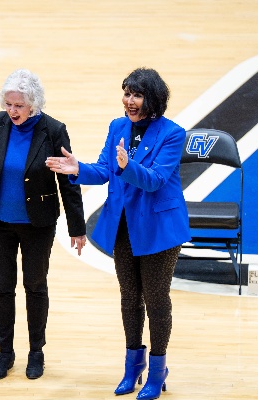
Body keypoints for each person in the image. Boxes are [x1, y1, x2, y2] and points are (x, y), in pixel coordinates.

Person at [46, 67, 190, 399]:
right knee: (129, 299)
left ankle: (157, 370)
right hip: (123, 225)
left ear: (152, 100)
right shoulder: (117, 126)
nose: (129, 101)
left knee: (155, 301)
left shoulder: (172, 133)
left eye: (137, 94)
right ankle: (132, 367)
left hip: (158, 230)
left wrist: (127, 166)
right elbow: (105, 170)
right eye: (126, 93)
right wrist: (78, 169)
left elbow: (153, 180)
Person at [0, 69, 87, 380]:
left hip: (38, 223)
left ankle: (36, 352)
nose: (12, 111)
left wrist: (77, 227)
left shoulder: (53, 130)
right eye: (8, 105)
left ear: (33, 105)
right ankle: (5, 352)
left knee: (35, 287)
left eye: (19, 106)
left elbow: (69, 181)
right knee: (2, 288)